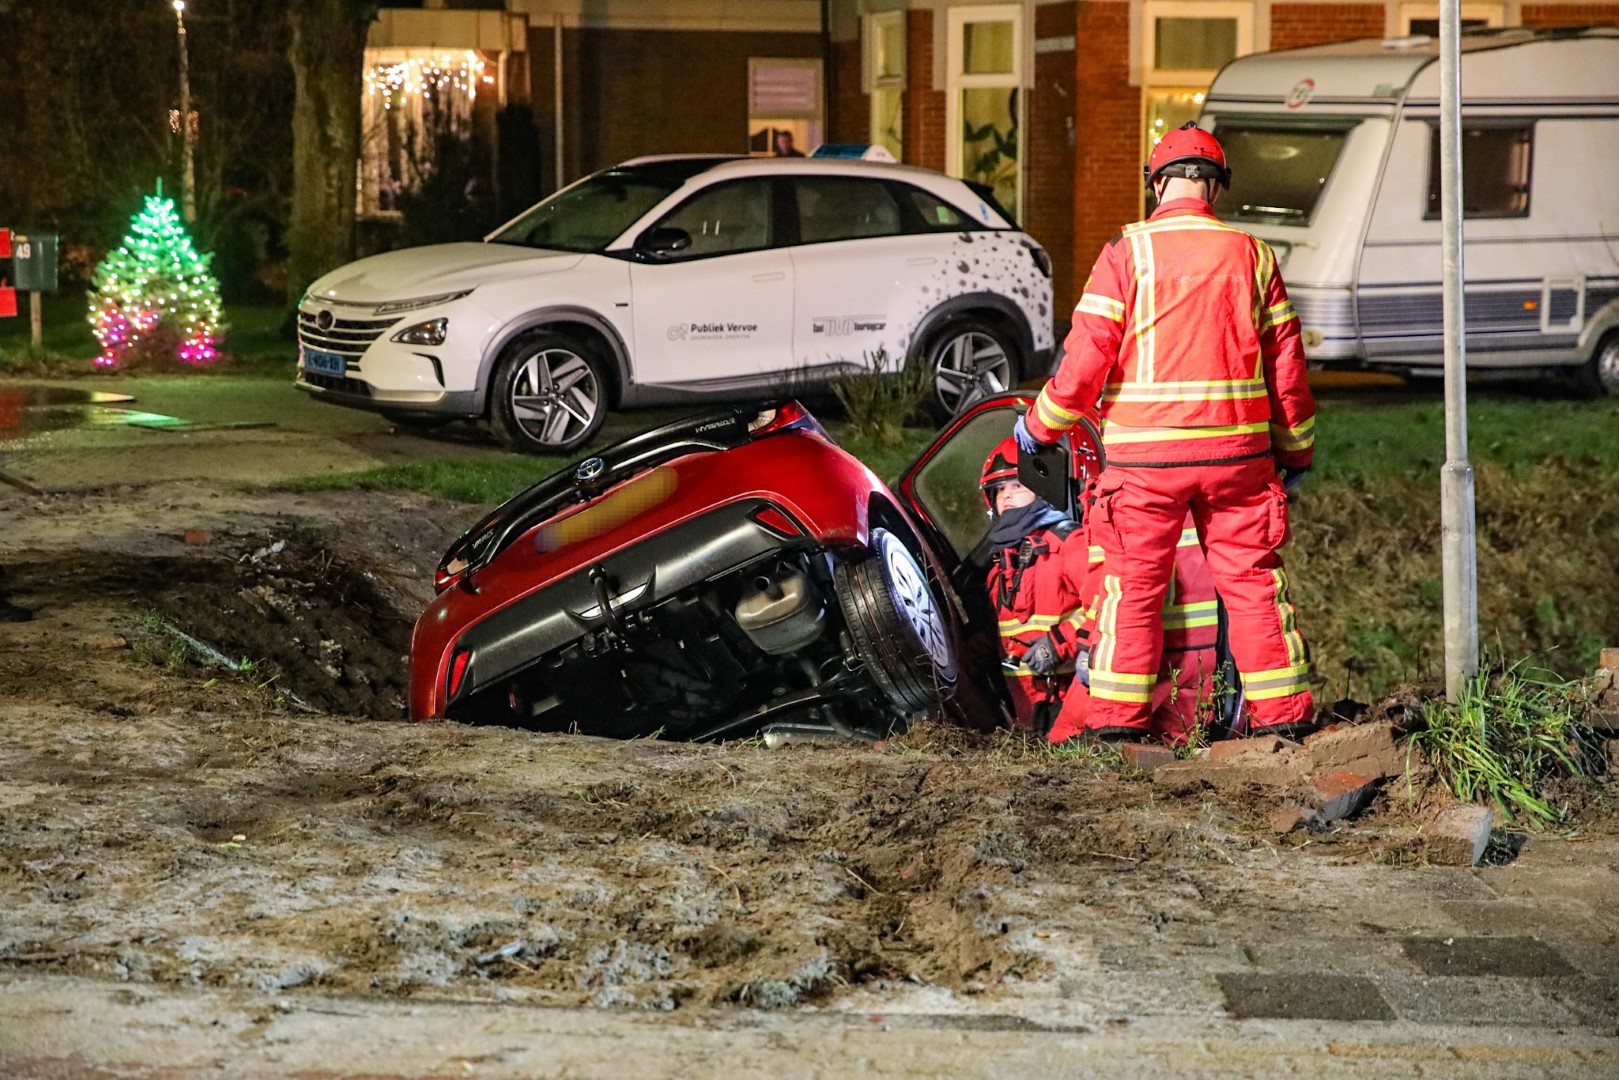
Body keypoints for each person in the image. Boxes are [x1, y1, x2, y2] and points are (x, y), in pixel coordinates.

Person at [1014, 122, 1318, 742]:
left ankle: (1117, 730)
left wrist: (1039, 428)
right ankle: (1283, 724)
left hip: (1145, 467)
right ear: (1217, 187)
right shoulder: (1254, 255)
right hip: (1239, 459)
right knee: (1254, 584)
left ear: (1157, 184)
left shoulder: (1128, 254)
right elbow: (1286, 366)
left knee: (1133, 590)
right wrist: (1296, 449)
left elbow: (1085, 360)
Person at [979, 438, 1090, 733]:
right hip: (1027, 706)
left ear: (1043, 488)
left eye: (1017, 486)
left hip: (1070, 699)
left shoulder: (1069, 543)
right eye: (1000, 489)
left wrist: (1058, 644)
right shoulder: (1001, 560)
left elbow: (1108, 605)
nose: (1007, 496)